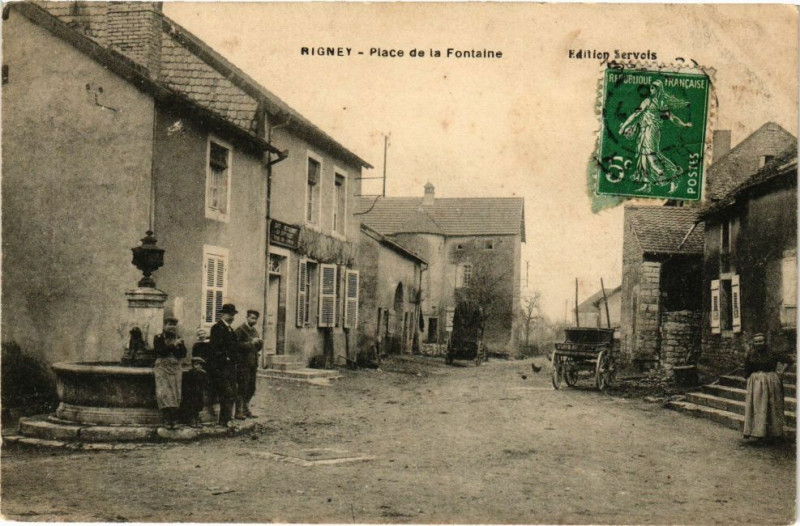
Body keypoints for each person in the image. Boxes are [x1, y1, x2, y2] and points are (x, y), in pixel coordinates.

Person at [618, 79, 692, 194]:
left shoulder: (655, 102)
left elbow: (672, 118)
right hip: (644, 130)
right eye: (651, 87)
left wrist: (684, 124)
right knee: (643, 157)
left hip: (651, 130)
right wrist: (626, 126)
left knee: (651, 156)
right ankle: (647, 184)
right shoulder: (651, 101)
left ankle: (674, 177)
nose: (651, 89)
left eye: (653, 87)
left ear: (658, 89)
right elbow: (636, 115)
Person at [743, 333, 788, 443]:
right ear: (754, 343)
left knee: (772, 406)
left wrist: (781, 372)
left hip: (770, 381)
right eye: (757, 341)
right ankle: (759, 432)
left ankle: (775, 433)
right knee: (758, 407)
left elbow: (789, 360)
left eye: (761, 341)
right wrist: (749, 379)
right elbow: (747, 368)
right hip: (756, 383)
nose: (759, 344)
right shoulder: (751, 353)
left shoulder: (772, 352)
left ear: (765, 342)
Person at [153, 316, 187, 429]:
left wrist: (179, 345)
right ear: (165, 325)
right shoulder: (158, 338)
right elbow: (160, 351)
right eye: (169, 323)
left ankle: (174, 419)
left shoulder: (179, 338)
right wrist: (173, 345)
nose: (172, 326)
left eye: (174, 324)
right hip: (162, 368)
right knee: (164, 393)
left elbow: (183, 354)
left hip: (175, 368)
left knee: (176, 393)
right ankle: (167, 419)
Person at [209, 303, 240, 428]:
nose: (232, 317)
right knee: (227, 392)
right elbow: (215, 348)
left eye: (233, 315)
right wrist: (225, 358)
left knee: (231, 392)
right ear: (223, 314)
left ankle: (226, 419)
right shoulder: (217, 328)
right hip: (221, 367)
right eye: (230, 314)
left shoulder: (230, 329)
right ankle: (226, 420)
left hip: (230, 366)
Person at [235, 310, 263, 419]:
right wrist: (251, 343)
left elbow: (256, 348)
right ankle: (238, 411)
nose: (254, 320)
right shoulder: (240, 330)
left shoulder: (255, 331)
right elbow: (235, 345)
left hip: (253, 363)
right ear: (247, 317)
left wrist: (260, 344)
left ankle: (246, 409)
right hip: (243, 364)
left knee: (251, 388)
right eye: (252, 318)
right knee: (242, 387)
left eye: (255, 319)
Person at [180, 357, 209, 427]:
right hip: (191, 393)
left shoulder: (203, 374)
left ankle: (196, 418)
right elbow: (186, 385)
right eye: (196, 364)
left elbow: (205, 384)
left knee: (198, 405)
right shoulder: (190, 373)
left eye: (199, 365)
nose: (197, 366)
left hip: (199, 393)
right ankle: (191, 419)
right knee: (191, 405)